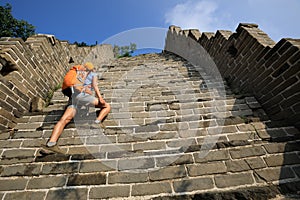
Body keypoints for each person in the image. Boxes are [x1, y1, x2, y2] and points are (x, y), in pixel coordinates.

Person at [41, 62, 111, 154]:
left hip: (72, 97)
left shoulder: (75, 70)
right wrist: (100, 98)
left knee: (64, 119)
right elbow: (92, 86)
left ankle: (51, 144)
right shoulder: (87, 70)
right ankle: (96, 122)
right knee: (106, 106)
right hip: (79, 95)